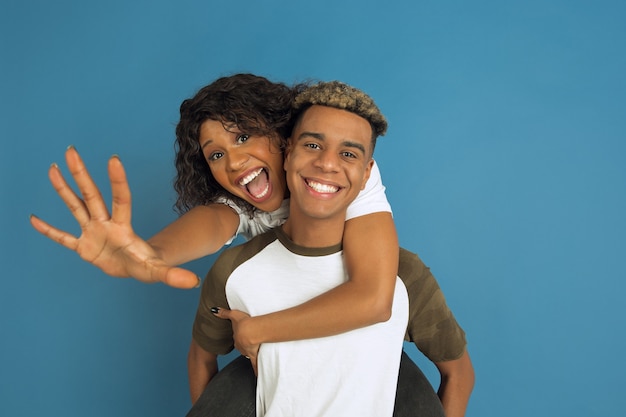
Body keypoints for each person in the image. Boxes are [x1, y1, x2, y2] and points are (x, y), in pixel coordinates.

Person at [188, 81, 474, 417]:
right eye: (312, 145)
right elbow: (201, 358)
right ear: (288, 150)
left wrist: (255, 330)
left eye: (348, 153)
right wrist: (152, 252)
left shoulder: (402, 275)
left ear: (367, 173)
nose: (327, 164)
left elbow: (458, 372)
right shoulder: (237, 271)